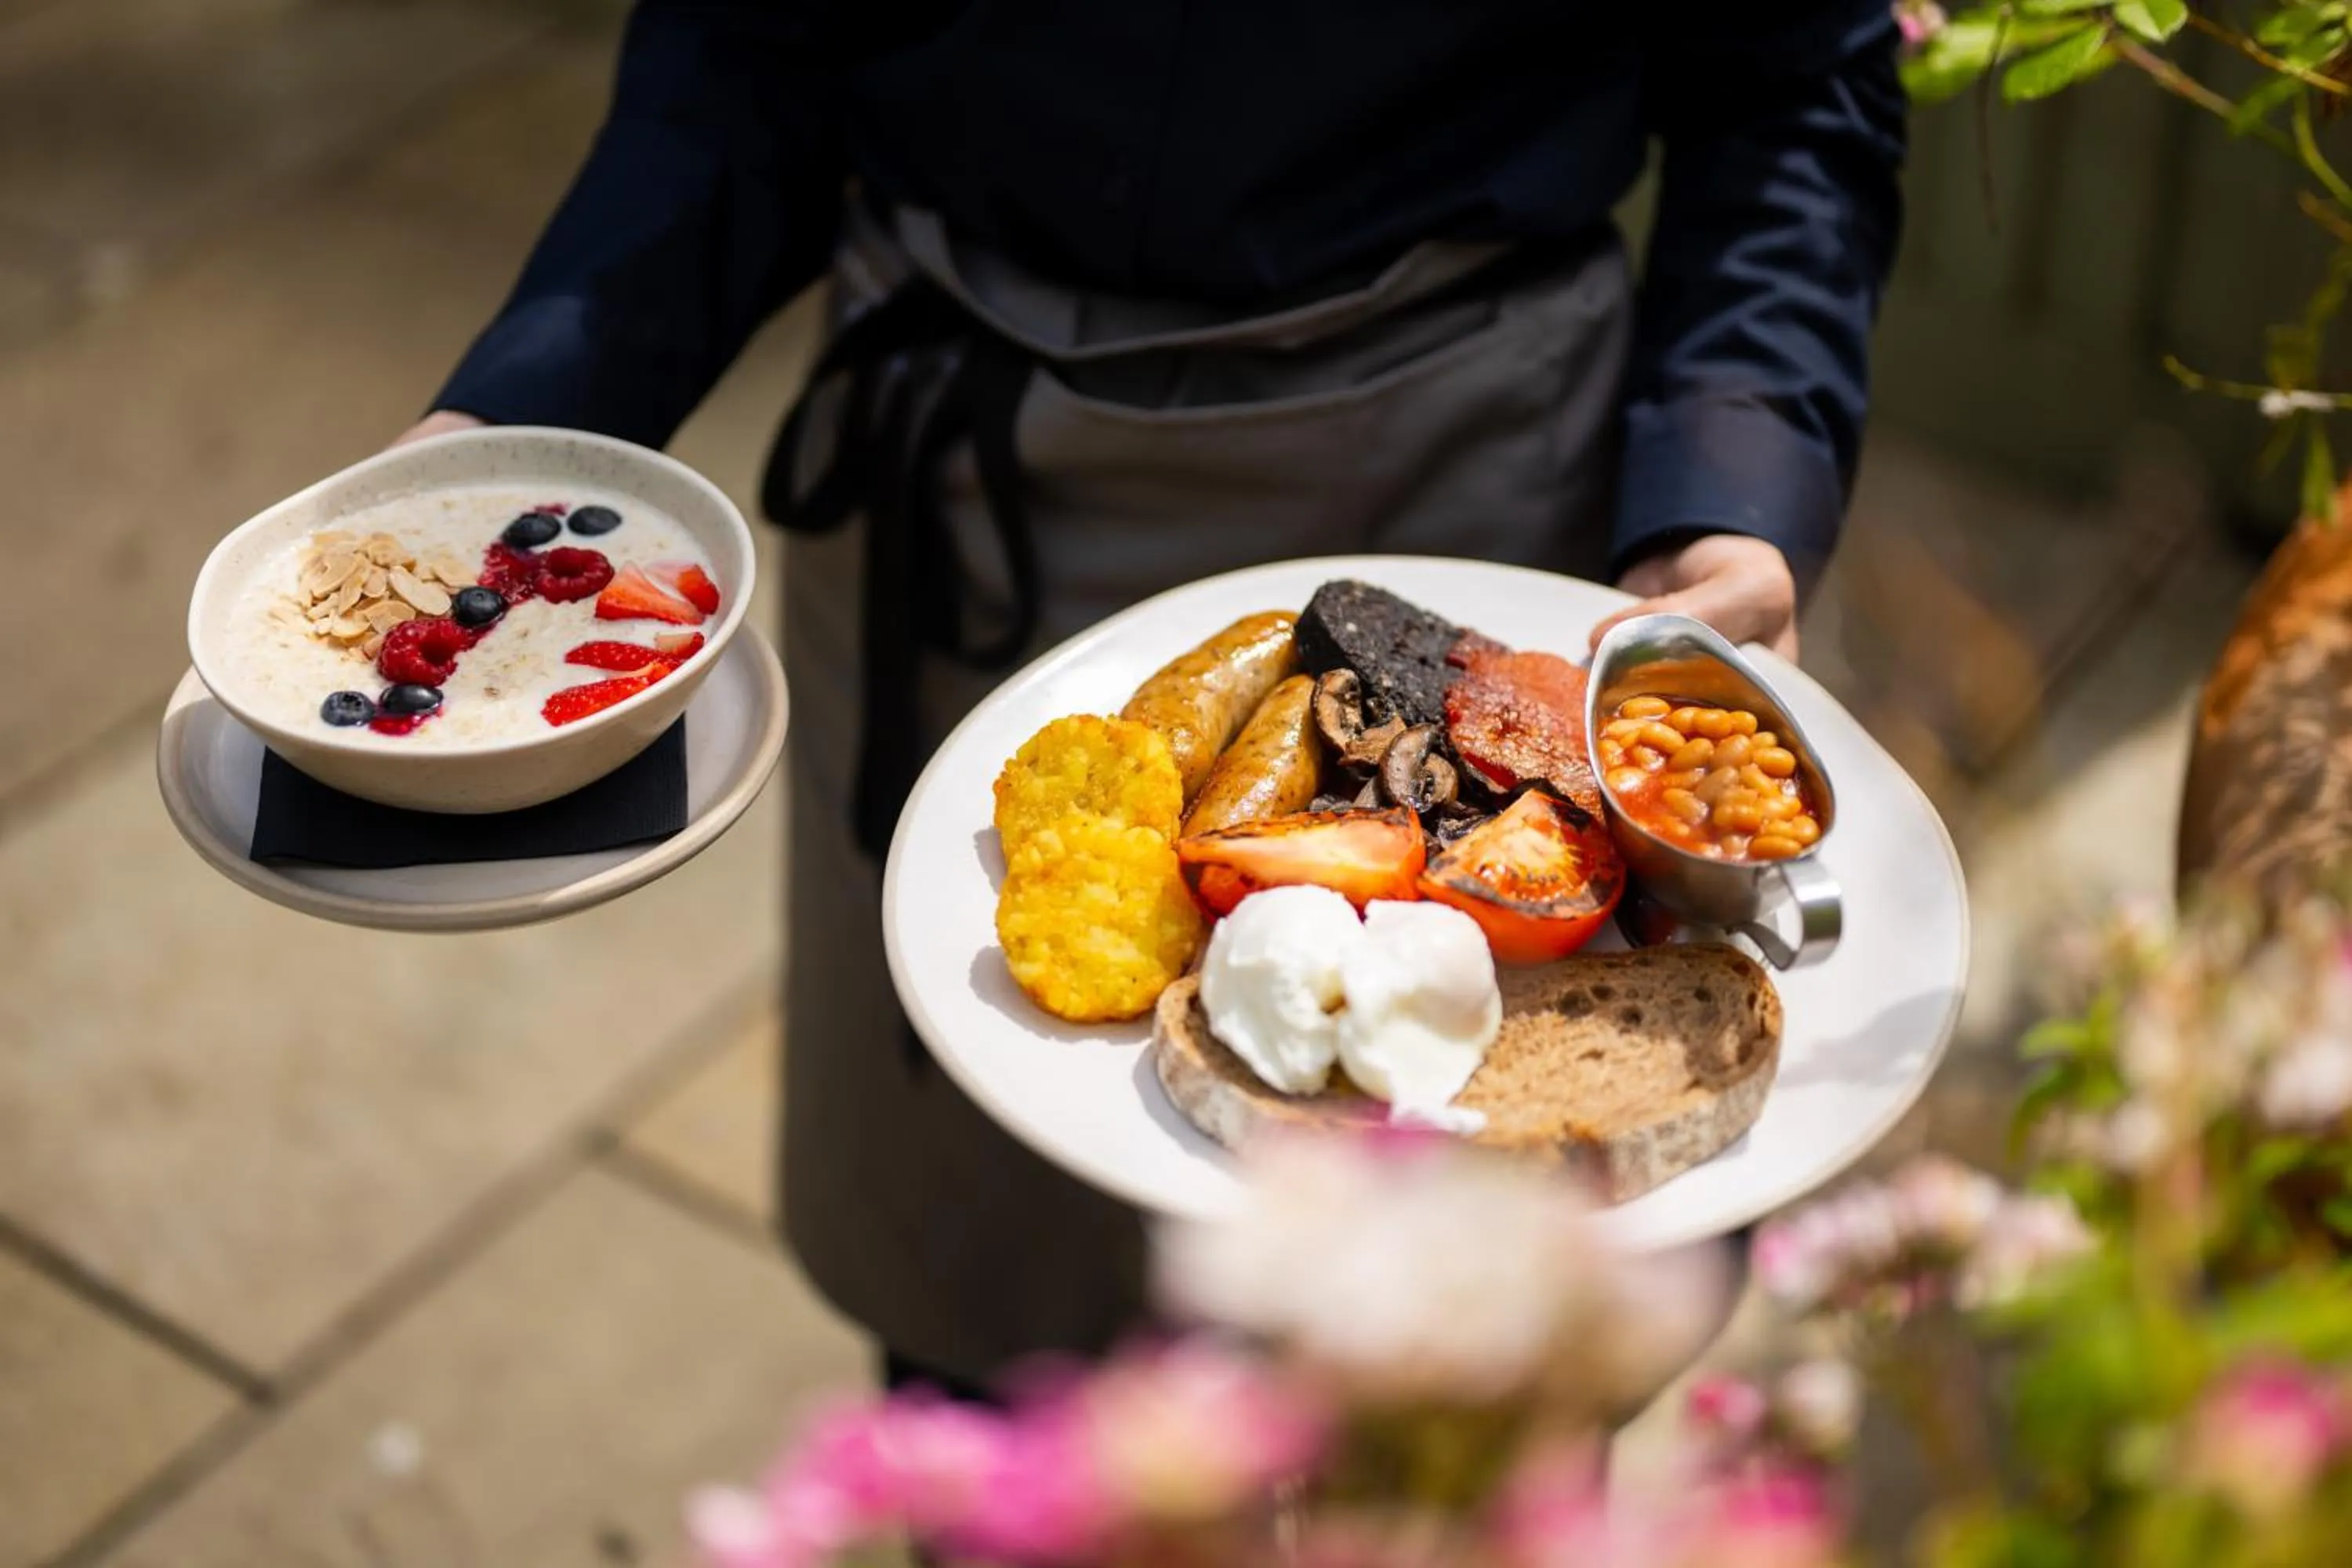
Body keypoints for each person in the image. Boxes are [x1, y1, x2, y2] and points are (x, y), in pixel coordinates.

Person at [397, 1, 1907, 1397]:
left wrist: (1734, 474)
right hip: (951, 488)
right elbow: (749, 43)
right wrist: (532, 423)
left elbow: (1790, 79)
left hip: (1469, 490)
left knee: (1430, 1418)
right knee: (983, 1347)